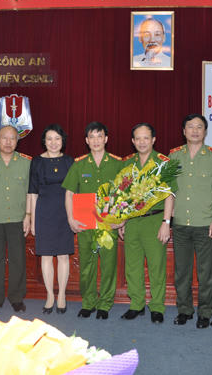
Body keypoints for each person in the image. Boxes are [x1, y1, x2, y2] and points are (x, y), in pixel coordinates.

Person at [61, 121, 123, 320]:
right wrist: (70, 218)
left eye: (99, 136)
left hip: (108, 224)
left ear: (106, 139)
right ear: (87, 140)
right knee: (86, 265)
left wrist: (122, 220)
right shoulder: (79, 164)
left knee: (108, 265)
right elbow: (69, 193)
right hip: (85, 224)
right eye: (92, 137)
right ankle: (88, 302)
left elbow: (126, 194)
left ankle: (105, 304)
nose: (96, 140)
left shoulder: (117, 163)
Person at [169, 114, 212, 328]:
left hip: (205, 223)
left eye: (199, 127)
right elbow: (169, 191)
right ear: (184, 131)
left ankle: (205, 312)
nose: (194, 130)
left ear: (205, 131)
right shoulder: (174, 156)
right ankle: (184, 310)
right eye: (190, 127)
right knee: (181, 272)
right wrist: (167, 220)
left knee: (205, 273)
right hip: (181, 223)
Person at [119, 123, 175, 324]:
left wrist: (166, 222)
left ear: (153, 140)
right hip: (133, 222)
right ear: (133, 141)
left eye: (146, 138)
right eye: (138, 138)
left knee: (156, 265)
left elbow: (169, 195)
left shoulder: (163, 163)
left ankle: (157, 306)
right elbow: (123, 196)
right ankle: (137, 304)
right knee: (132, 266)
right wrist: (122, 221)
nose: (142, 142)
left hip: (155, 220)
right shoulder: (128, 164)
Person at [0, 125, 31, 313]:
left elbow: (30, 192)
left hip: (18, 218)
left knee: (18, 260)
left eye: (12, 138)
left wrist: (28, 215)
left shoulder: (26, 162)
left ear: (17, 140)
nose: (8, 142)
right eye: (4, 138)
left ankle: (17, 298)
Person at [28, 124, 74, 314]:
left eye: (57, 138)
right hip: (44, 212)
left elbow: (74, 191)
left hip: (65, 212)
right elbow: (32, 192)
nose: (53, 142)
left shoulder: (69, 161)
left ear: (62, 141)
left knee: (63, 256)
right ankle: (49, 295)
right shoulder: (37, 161)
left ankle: (61, 295)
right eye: (49, 139)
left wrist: (74, 216)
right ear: (44, 142)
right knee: (46, 256)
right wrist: (32, 220)